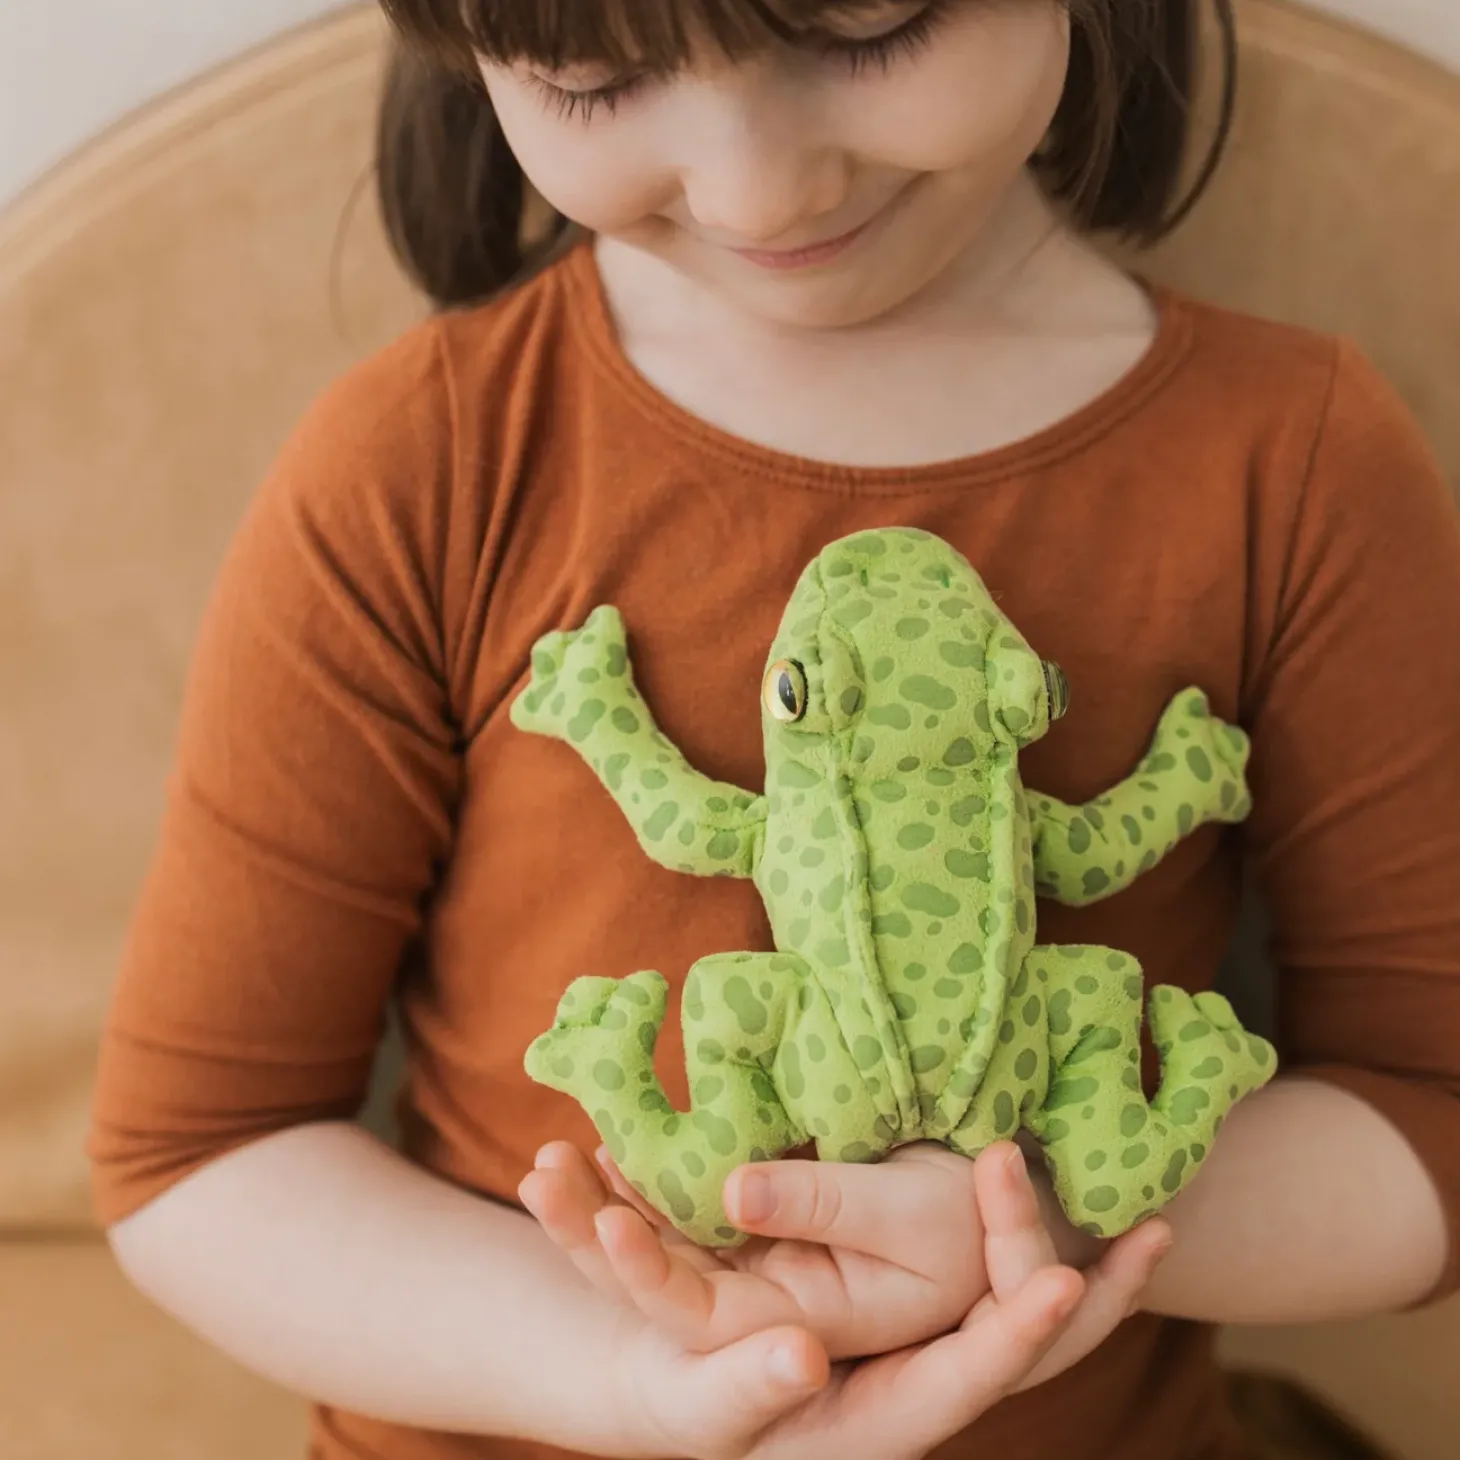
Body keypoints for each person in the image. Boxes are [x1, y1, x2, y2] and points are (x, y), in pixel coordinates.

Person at [88, 3, 1460, 1458]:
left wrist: (1041, 1209)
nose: (759, 190)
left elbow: (1433, 1109)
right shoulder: (418, 469)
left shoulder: (1294, 457)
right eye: (596, 78)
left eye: (870, 26)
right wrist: (625, 1378)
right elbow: (197, 1156)